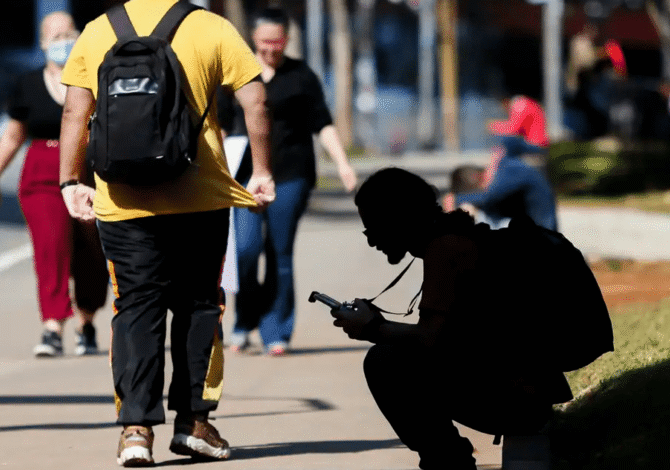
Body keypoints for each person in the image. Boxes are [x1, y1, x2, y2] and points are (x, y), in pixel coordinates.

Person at [58, 0, 274, 466]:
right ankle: (194, 423)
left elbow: (76, 111)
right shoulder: (211, 27)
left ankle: (135, 430)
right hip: (201, 195)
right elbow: (255, 99)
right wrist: (261, 170)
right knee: (200, 304)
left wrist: (70, 180)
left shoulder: (98, 31)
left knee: (135, 306)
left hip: (122, 198)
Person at [330, 168, 572, 470]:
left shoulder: (446, 249)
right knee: (392, 356)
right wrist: (378, 326)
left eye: (373, 229)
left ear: (399, 219)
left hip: (518, 400)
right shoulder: (454, 238)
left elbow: (432, 339)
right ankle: (447, 458)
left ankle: (447, 461)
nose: (371, 242)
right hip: (524, 391)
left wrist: (374, 328)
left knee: (385, 362)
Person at [222, 8, 358, 356]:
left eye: (278, 42)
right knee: (245, 250)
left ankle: (276, 331)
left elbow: (322, 124)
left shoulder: (301, 76)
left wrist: (342, 164)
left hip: (291, 176)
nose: (271, 49)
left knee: (279, 253)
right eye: (265, 42)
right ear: (254, 38)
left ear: (287, 40)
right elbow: (220, 124)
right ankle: (243, 322)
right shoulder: (237, 71)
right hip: (244, 178)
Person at [0, 11, 108, 358]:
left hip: (89, 169)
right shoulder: (27, 83)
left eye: (69, 34)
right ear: (42, 44)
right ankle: (53, 324)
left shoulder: (96, 79)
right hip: (42, 172)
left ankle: (87, 320)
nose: (63, 43)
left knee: (92, 250)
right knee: (51, 245)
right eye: (55, 37)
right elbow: (13, 135)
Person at [444, 144, 558, 231]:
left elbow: (489, 197)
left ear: (480, 177)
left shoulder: (510, 170)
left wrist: (456, 199)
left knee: (469, 209)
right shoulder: (509, 168)